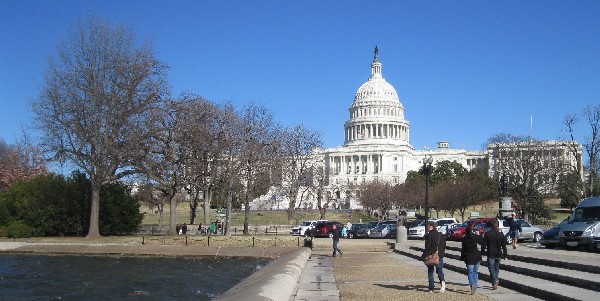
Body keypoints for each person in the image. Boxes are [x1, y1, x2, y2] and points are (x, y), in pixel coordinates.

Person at [482, 219, 508, 290]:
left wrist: (483, 252)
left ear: (491, 226)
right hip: (498, 253)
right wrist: (505, 254)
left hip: (491, 253)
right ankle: (495, 281)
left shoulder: (487, 234)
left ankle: (494, 280)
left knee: (491, 268)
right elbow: (504, 246)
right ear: (497, 226)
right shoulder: (501, 234)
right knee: (496, 268)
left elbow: (484, 244)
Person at [423, 221, 446, 293]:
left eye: (428, 226)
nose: (427, 228)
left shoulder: (429, 235)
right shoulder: (441, 235)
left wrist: (424, 256)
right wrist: (441, 253)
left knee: (430, 272)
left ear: (431, 227)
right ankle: (442, 284)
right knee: (439, 271)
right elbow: (443, 245)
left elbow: (427, 247)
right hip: (439, 255)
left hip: (431, 255)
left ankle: (431, 288)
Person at [461, 226, 483, 294]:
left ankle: (472, 284)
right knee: (475, 272)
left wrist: (462, 257)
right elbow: (482, 242)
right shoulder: (475, 237)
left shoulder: (464, 239)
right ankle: (475, 284)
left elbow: (463, 249)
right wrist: (482, 252)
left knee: (470, 272)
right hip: (476, 255)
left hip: (469, 256)